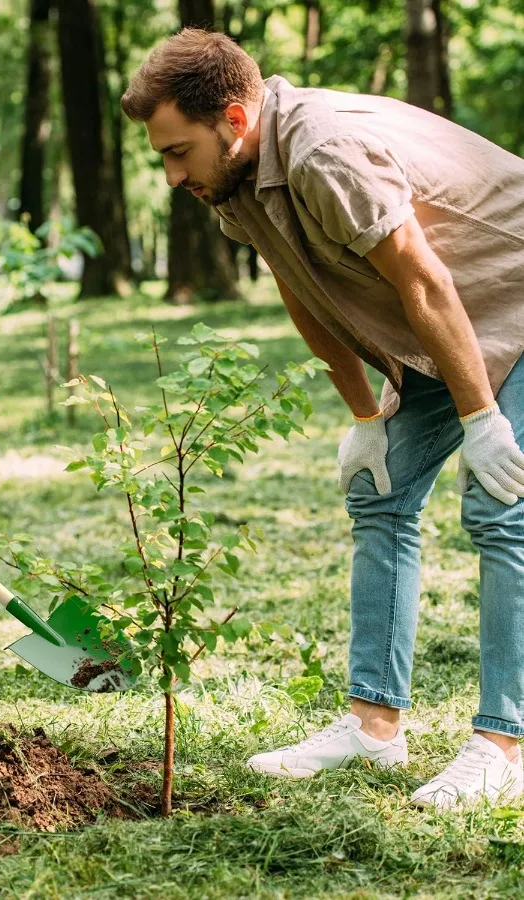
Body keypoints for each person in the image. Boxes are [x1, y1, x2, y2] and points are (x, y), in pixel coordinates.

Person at [122, 28, 524, 809]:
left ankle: (504, 744)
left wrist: (482, 420)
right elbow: (303, 289)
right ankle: (375, 726)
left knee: (502, 503)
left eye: (178, 152)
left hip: (508, 304)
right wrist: (365, 415)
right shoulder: (233, 185)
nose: (173, 175)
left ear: (234, 120)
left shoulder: (320, 154)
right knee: (380, 490)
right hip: (444, 327)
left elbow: (423, 278)